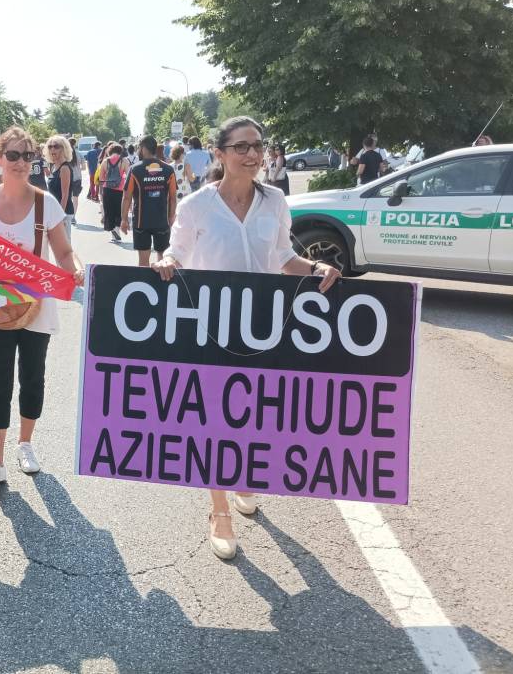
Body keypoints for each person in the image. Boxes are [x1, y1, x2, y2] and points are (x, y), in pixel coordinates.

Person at [151, 116, 341, 560]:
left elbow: (283, 257)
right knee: (214, 422)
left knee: (254, 416)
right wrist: (164, 262)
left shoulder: (275, 200)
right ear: (220, 154)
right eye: (241, 147)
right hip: (210, 330)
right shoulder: (196, 205)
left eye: (257, 146)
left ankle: (244, 478)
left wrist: (315, 269)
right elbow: (176, 254)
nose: (252, 154)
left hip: (263, 329)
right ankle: (219, 512)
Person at [0, 127, 84, 488]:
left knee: (32, 379)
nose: (20, 163)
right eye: (12, 155)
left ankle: (26, 444)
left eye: (27, 156)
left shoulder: (45, 202)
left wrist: (73, 269)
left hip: (36, 309)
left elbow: (63, 251)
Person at [120, 135, 177, 267]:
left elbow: (127, 196)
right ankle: (161, 287)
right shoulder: (168, 169)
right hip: (162, 220)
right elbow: (173, 197)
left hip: (141, 221)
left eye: (140, 147)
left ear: (144, 148)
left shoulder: (135, 169)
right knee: (164, 261)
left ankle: (144, 286)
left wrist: (124, 219)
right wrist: (171, 218)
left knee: (143, 262)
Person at [45, 134, 76, 238]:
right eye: (50, 146)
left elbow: (65, 195)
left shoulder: (64, 168)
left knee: (65, 248)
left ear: (64, 149)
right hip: (55, 213)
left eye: (56, 146)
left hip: (63, 213)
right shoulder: (54, 166)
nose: (52, 149)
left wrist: (60, 217)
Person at [96, 143, 129, 240]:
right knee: (119, 210)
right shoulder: (124, 160)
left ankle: (113, 233)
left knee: (109, 210)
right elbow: (128, 175)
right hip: (120, 189)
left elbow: (101, 178)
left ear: (109, 151)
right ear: (120, 151)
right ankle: (117, 230)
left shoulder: (105, 161)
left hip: (107, 189)